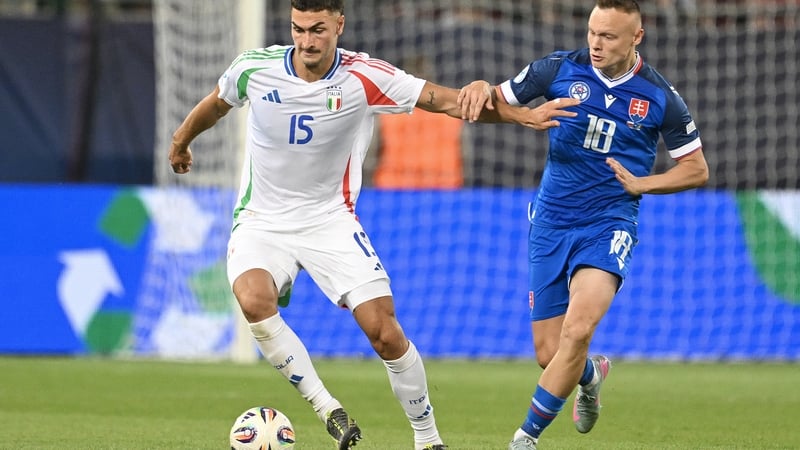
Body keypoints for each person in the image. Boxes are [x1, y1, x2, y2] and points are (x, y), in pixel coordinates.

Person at [168, 1, 578, 449]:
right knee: (252, 299)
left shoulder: (366, 77)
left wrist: (522, 114)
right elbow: (217, 103)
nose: (307, 40)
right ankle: (330, 410)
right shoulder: (254, 68)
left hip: (329, 221)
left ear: (339, 25)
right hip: (261, 220)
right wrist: (180, 142)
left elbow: (442, 101)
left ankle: (428, 439)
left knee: (384, 331)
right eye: (298, 29)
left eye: (318, 29)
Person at [458, 1, 709, 449]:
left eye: (609, 36)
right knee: (550, 354)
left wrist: (643, 184)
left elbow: (696, 169)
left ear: (637, 37)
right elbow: (492, 101)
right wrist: (492, 94)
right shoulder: (557, 69)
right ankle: (592, 374)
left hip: (609, 222)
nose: (595, 43)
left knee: (578, 329)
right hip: (551, 221)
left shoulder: (659, 98)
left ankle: (524, 439)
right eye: (593, 32)